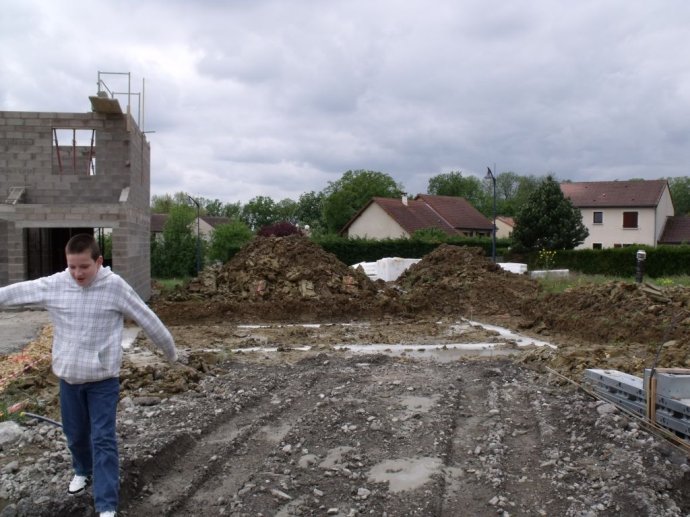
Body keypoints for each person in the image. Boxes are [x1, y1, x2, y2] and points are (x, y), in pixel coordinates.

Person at [0, 233, 180, 517]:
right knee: (75, 435)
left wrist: (172, 353)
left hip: (102, 381)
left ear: (98, 261)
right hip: (69, 380)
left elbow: (146, 318)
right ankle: (82, 470)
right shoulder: (56, 285)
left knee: (103, 438)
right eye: (72, 266)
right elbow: (15, 293)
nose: (77, 273)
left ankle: (106, 505)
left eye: (84, 266)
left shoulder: (115, 287)